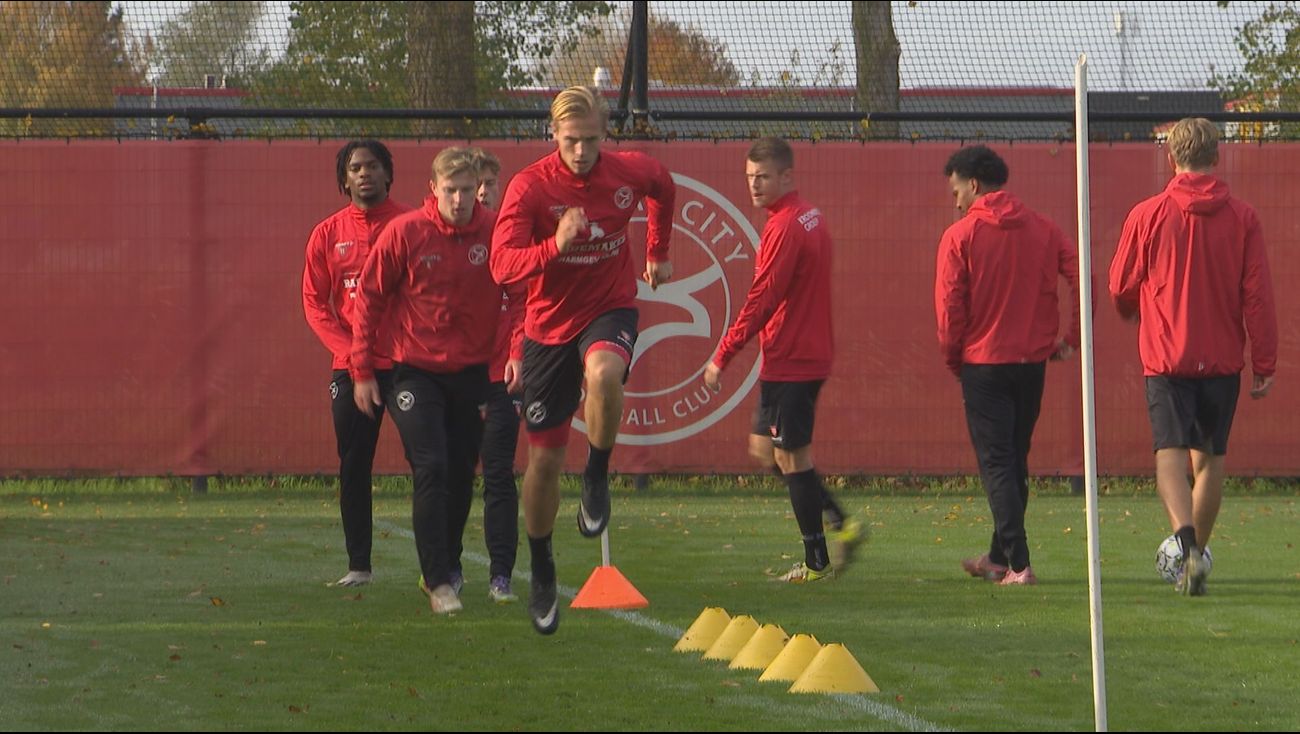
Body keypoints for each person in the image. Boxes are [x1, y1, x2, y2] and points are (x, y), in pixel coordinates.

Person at [491, 85, 676, 634]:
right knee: (544, 463)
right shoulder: (529, 188)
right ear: (553, 135)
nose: (581, 151)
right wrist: (555, 245)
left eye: (591, 139)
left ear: (605, 133)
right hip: (546, 329)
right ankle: (543, 567)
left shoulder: (627, 170)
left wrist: (658, 251)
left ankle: (597, 477)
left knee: (604, 372)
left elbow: (662, 187)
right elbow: (502, 267)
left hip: (609, 308)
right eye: (571, 141)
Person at [1109, 117, 1277, 596]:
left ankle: (1186, 547)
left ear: (1171, 157)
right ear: (1216, 156)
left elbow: (1121, 284)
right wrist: (1265, 362)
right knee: (1210, 461)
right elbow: (1258, 295)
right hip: (1221, 360)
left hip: (1166, 359)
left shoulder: (1149, 213)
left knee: (1169, 456)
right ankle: (1196, 556)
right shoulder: (1243, 217)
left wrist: (1129, 306)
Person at [350, 147, 502, 614]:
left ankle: (447, 565)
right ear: (433, 190)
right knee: (431, 465)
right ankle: (439, 583)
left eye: (465, 191)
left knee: (460, 472)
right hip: (412, 370)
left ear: (478, 189)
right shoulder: (405, 232)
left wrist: (512, 356)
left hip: (472, 373)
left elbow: (523, 290)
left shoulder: (496, 232)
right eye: (449, 191)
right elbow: (369, 299)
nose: (458, 200)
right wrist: (361, 370)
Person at [704, 137, 862, 584]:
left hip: (794, 360)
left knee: (792, 458)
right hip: (792, 357)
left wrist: (723, 355)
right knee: (766, 451)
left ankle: (816, 562)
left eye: (764, 177)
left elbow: (762, 300)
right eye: (750, 177)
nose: (754, 185)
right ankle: (839, 521)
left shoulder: (786, 226)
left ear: (787, 176)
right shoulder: (808, 216)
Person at [935, 144, 1080, 587]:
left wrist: (953, 357)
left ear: (974, 185)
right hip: (1030, 363)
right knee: (1014, 461)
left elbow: (949, 307)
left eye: (957, 190)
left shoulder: (960, 236)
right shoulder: (1044, 228)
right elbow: (1081, 275)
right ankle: (999, 556)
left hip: (984, 363)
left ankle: (1018, 564)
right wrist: (1071, 339)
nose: (955, 200)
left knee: (998, 463)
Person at [302, 140, 410, 588]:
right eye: (355, 167)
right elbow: (314, 301)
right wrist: (349, 352)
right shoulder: (327, 233)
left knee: (431, 459)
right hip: (350, 368)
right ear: (344, 179)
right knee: (353, 462)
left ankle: (443, 567)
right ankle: (359, 566)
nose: (364, 173)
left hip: (407, 363)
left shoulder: (410, 224)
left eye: (372, 166)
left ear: (388, 174)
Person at [466, 146, 525, 604]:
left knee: (499, 473)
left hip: (502, 375)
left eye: (491, 183)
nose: (484, 192)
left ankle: (501, 573)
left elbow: (526, 303)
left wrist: (518, 352)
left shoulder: (512, 239)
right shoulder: (440, 238)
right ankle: (444, 567)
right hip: (455, 375)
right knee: (448, 473)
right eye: (476, 184)